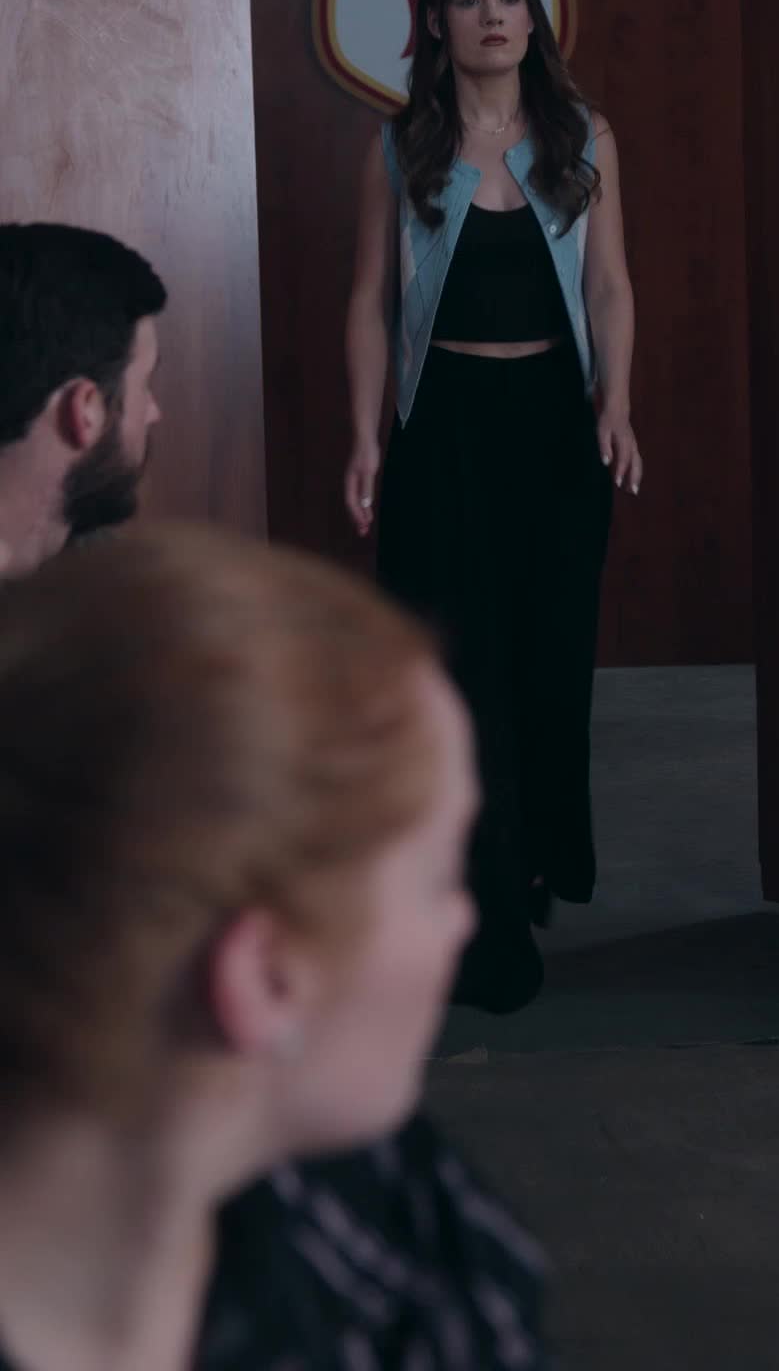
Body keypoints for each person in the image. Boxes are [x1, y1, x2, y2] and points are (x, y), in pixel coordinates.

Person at [0, 523, 549, 1370]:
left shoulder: (397, 1217)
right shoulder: (380, 1251)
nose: (464, 922)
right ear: (264, 978)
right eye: (440, 879)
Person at [344, 0, 643, 1014]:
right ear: (437, 23)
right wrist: (366, 436)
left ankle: (532, 862)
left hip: (556, 430)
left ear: (531, 16)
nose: (492, 17)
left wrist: (617, 402)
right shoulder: (400, 146)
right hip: (446, 430)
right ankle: (487, 926)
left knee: (548, 665)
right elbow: (369, 301)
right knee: (460, 678)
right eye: (468, 1)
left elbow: (609, 286)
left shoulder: (581, 135)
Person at [0, 221, 165, 576]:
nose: (154, 412)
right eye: (144, 384)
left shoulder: (104, 575)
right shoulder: (128, 598)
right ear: (85, 410)